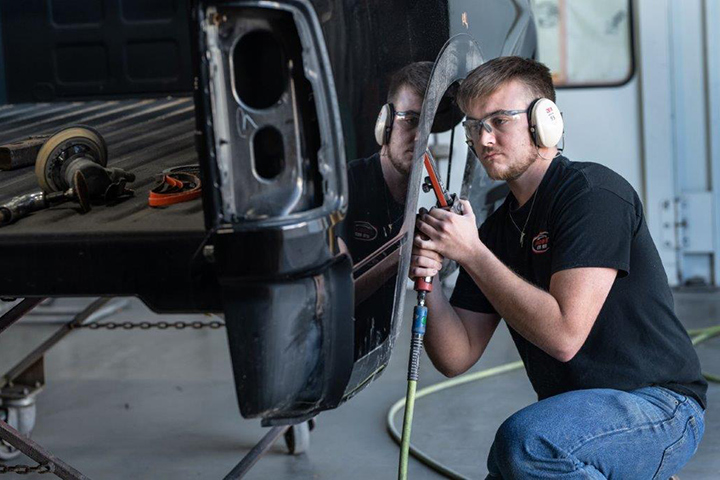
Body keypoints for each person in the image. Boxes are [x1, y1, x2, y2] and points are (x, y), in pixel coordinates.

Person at [410, 56, 707, 479]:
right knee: (519, 458)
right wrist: (433, 280)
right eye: (474, 127)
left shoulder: (594, 196)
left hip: (658, 406)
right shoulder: (495, 229)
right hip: (579, 420)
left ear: (544, 122)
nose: (484, 138)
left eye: (498, 120)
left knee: (529, 445)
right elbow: (456, 356)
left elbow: (564, 336)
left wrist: (472, 253)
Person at [346, 62, 432, 360]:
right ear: (385, 122)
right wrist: (403, 252)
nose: (421, 136)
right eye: (411, 120)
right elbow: (331, 302)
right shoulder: (347, 187)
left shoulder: (419, 192)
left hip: (377, 351)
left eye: (428, 124)